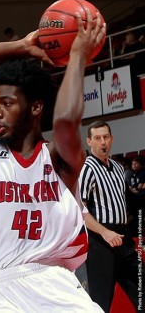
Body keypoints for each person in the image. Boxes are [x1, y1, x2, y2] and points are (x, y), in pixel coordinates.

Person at [0, 9, 106, 312]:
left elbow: (65, 121)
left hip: (58, 284)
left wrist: (77, 54)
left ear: (36, 107)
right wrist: (19, 47)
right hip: (2, 291)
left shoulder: (58, 158)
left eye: (7, 103)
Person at [79, 120, 139, 311]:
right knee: (101, 301)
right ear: (89, 142)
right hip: (101, 241)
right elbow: (79, 210)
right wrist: (104, 232)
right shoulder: (86, 168)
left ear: (112, 139)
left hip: (124, 239)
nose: (102, 142)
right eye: (97, 138)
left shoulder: (119, 168)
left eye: (105, 137)